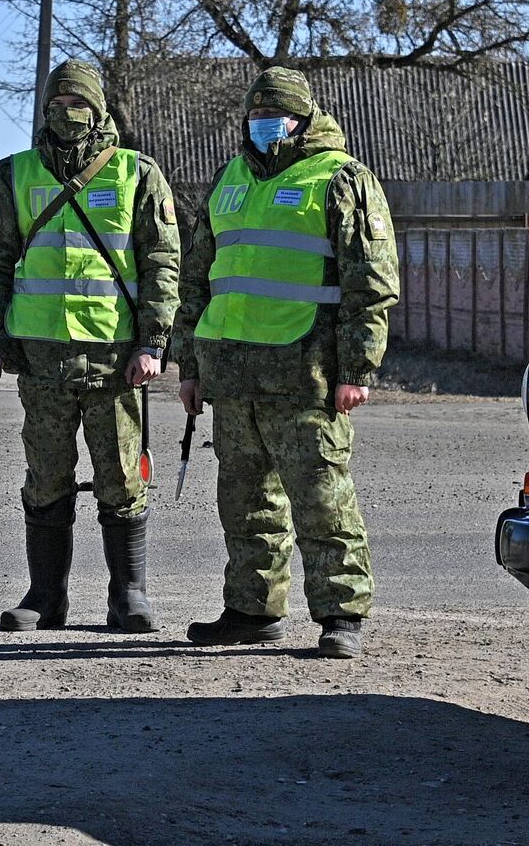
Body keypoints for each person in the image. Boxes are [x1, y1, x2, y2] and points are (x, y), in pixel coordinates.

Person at [175, 66, 399, 659]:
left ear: (303, 118)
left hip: (308, 376)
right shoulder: (229, 180)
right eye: (254, 115)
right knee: (245, 505)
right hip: (231, 377)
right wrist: (189, 366)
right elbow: (196, 280)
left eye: (274, 114)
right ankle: (252, 611)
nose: (263, 124)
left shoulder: (342, 179)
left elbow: (371, 285)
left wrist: (357, 369)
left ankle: (341, 615)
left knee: (322, 499)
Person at [0, 59, 180, 633]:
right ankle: (45, 597)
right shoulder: (14, 173)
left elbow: (162, 263)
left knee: (121, 475)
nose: (68, 114)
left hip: (116, 357)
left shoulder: (138, 173)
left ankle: (128, 596)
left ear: (100, 109)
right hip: (41, 356)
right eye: (58, 105)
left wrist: (155, 341)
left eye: (79, 104)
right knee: (46, 474)